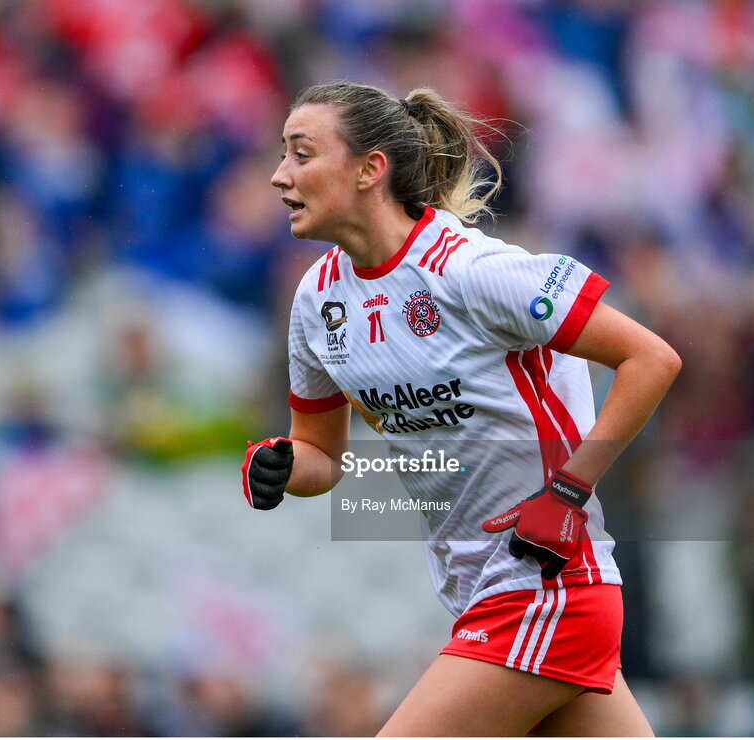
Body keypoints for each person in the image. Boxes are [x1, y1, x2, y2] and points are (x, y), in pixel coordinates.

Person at [241, 81, 680, 736]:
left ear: (370, 170)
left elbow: (651, 359)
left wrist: (567, 490)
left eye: (301, 154)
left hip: (545, 587)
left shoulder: (471, 272)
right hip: (481, 594)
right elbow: (321, 455)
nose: (280, 177)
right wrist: (279, 466)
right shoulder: (318, 301)